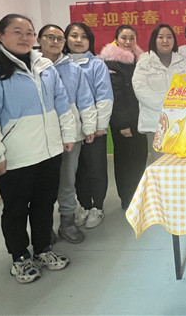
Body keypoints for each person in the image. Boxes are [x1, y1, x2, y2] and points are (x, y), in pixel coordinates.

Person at [0, 14, 74, 284]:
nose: (25, 37)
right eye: (17, 31)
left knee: (44, 204)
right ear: (1, 36)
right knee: (16, 210)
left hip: (48, 151)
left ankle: (43, 249)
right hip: (14, 156)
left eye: (29, 32)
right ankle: (20, 257)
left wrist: (67, 134)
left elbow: (61, 102)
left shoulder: (44, 66)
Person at [37, 25, 97, 244]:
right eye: (49, 37)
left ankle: (67, 222)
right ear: (39, 39)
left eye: (59, 38)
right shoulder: (30, 68)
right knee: (42, 183)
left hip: (71, 135)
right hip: (40, 136)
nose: (55, 42)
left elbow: (85, 99)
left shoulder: (73, 69)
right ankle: (43, 226)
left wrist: (88, 127)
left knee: (68, 180)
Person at [64, 22, 113, 229]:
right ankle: (84, 205)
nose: (78, 40)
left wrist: (100, 126)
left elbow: (104, 96)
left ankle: (97, 207)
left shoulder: (97, 64)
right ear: (66, 39)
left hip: (94, 128)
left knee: (96, 168)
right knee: (77, 171)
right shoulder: (59, 65)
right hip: (70, 129)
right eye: (74, 35)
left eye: (84, 36)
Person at [99, 25, 148, 210]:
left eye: (131, 38)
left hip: (140, 119)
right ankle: (127, 199)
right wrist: (122, 124)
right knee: (125, 162)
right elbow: (114, 95)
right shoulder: (110, 62)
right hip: (123, 121)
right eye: (124, 38)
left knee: (140, 158)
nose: (128, 42)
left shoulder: (140, 60)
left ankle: (139, 195)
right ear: (117, 40)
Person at [133, 24, 186, 163]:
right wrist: (167, 106)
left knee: (181, 162)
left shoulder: (184, 62)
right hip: (155, 122)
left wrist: (178, 109)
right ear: (154, 40)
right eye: (160, 37)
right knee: (161, 163)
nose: (165, 41)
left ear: (174, 40)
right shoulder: (144, 62)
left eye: (169, 37)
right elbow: (141, 89)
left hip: (180, 122)